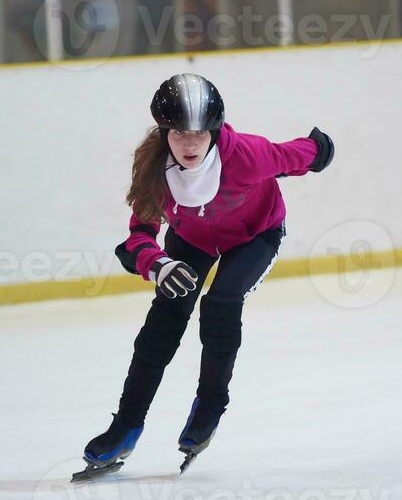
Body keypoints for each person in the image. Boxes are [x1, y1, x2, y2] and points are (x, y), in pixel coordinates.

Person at [82, 72, 334, 474]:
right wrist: (159, 264)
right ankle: (126, 425)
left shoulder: (248, 156)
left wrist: (319, 149)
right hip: (192, 240)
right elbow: (139, 235)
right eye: (179, 132)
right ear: (164, 131)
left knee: (220, 303)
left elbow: (294, 156)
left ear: (214, 131)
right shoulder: (153, 169)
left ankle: (210, 406)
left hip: (256, 235)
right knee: (163, 322)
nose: (189, 143)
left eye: (199, 132)